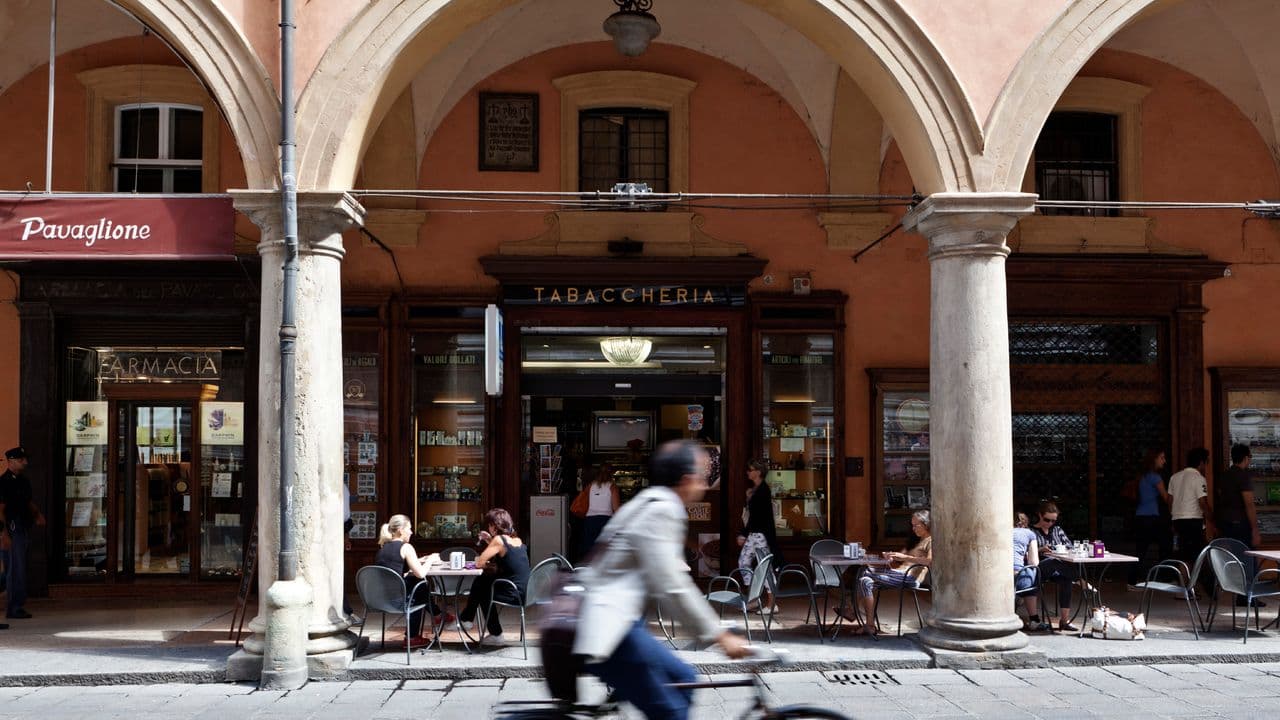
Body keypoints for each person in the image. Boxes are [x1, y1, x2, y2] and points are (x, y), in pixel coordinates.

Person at [574, 440, 750, 720]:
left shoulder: (650, 501)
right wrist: (718, 635)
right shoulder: (663, 509)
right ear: (686, 479)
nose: (705, 484)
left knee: (684, 678)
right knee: (673, 712)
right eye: (702, 477)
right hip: (612, 629)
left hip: (618, 620)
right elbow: (673, 586)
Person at [460, 507, 531, 647]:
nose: (488, 528)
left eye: (489, 525)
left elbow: (479, 563)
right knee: (483, 581)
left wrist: (490, 543)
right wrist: (489, 540)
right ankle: (467, 619)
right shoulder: (517, 540)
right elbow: (504, 552)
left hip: (512, 593)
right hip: (525, 592)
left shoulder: (498, 540)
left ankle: (493, 632)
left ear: (494, 526)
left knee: (482, 589)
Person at [854, 509, 932, 636]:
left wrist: (905, 557)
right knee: (864, 581)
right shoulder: (915, 541)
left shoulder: (931, 541)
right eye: (912, 525)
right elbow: (900, 559)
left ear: (926, 524)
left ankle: (852, 611)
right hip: (898, 574)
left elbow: (929, 561)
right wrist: (891, 557)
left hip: (910, 578)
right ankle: (870, 625)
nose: (913, 529)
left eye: (916, 525)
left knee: (865, 570)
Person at [374, 514, 440, 649]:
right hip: (399, 601)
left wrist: (418, 560)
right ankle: (413, 636)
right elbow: (421, 573)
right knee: (420, 584)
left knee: (413, 581)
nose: (411, 532)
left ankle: (437, 615)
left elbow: (396, 568)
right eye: (409, 528)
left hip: (381, 600)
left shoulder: (383, 548)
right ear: (400, 530)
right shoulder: (406, 547)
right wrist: (430, 560)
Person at [1215, 444, 1263, 607]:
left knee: (1234, 558)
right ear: (1245, 458)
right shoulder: (1243, 476)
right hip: (1241, 522)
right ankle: (1249, 596)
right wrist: (1255, 529)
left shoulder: (1224, 476)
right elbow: (1249, 504)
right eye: (1250, 458)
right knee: (1249, 558)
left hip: (1226, 522)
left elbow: (1220, 498)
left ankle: (1239, 593)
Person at [0, 447, 42, 622]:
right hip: (11, 527)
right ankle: (14, 607)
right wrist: (4, 534)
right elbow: (0, 509)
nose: (25, 462)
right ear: (10, 461)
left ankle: (16, 602)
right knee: (15, 569)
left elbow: (28, 501)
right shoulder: (3, 482)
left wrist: (37, 514)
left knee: (17, 567)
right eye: (20, 459)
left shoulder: (23, 481)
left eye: (24, 459)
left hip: (23, 525)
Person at [1029, 501, 1079, 633]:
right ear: (1040, 515)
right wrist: (1040, 549)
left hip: (1058, 568)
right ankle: (1080, 579)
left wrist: (1060, 549)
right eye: (1047, 520)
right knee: (1053, 562)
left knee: (1066, 579)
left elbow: (1070, 547)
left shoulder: (1057, 530)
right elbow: (1025, 553)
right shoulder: (1031, 531)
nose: (1050, 523)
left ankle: (1064, 621)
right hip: (1039, 568)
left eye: (1053, 521)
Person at [736, 459, 781, 597]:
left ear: (758, 472)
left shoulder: (763, 491)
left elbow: (756, 516)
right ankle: (753, 596)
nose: (747, 472)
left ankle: (770, 601)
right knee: (744, 562)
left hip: (760, 535)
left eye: (750, 470)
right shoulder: (756, 490)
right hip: (755, 534)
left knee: (765, 567)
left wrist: (743, 533)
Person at [1128, 449, 1172, 587]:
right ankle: (1164, 576)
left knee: (1141, 549)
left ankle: (1132, 579)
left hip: (1141, 516)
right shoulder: (1155, 477)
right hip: (1151, 517)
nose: (1164, 461)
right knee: (1166, 545)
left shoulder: (1143, 476)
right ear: (1154, 459)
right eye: (1162, 458)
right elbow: (1166, 497)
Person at [1168, 447, 1214, 581]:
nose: (1206, 466)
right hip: (1193, 521)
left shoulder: (1174, 477)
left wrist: (1173, 517)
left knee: (1183, 555)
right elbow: (1202, 503)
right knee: (1199, 555)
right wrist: (1212, 520)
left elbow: (1169, 501)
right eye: (1206, 462)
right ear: (1201, 462)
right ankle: (1202, 585)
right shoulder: (1199, 478)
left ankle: (1184, 585)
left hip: (1177, 520)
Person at [1013, 512, 1047, 632]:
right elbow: (1034, 562)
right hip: (1017, 576)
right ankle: (1034, 619)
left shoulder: (1001, 531)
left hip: (998, 574)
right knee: (1031, 571)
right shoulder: (1029, 534)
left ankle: (1018, 598)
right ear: (1025, 523)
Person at [579, 464, 620, 555]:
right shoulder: (613, 487)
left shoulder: (590, 486)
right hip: (606, 520)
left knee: (590, 550)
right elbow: (616, 508)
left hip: (590, 521)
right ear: (611, 474)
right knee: (604, 551)